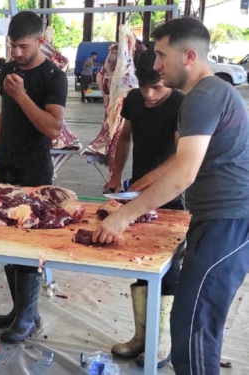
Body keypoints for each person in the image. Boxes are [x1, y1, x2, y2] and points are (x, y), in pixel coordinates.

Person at [93, 18, 249, 374]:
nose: (157, 65)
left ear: (189, 55)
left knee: (193, 325)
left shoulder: (205, 96)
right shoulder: (204, 96)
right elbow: (182, 162)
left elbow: (183, 173)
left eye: (162, 55)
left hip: (230, 221)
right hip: (216, 219)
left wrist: (125, 215)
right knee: (191, 320)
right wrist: (132, 189)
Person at [0, 11, 67, 344]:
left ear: (40, 40)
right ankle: (21, 311)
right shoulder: (9, 70)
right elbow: (5, 114)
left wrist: (22, 95)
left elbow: (53, 128)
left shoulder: (53, 77)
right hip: (6, 167)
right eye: (11, 46)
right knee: (6, 242)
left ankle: (28, 317)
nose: (15, 53)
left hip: (35, 171)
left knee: (28, 247)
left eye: (22, 46)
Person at [102, 46, 186, 368]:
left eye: (157, 87)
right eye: (144, 86)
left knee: (168, 267)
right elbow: (125, 138)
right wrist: (117, 174)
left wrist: (143, 184)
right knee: (138, 261)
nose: (149, 95)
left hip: (173, 198)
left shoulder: (180, 104)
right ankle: (141, 335)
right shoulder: (134, 101)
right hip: (136, 197)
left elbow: (181, 160)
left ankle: (161, 338)